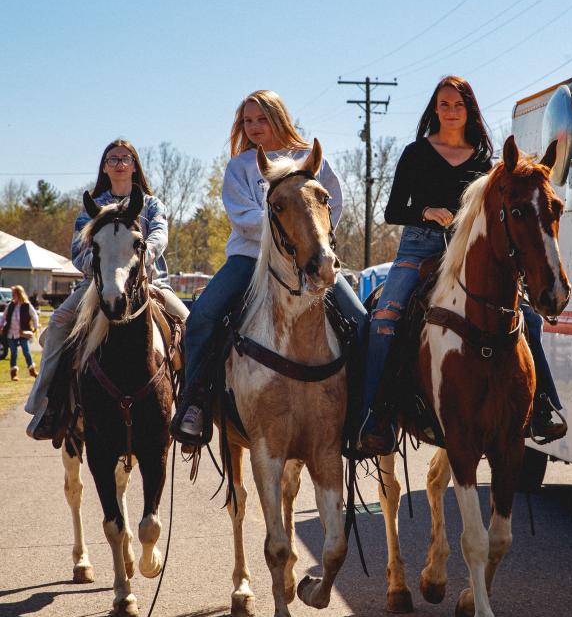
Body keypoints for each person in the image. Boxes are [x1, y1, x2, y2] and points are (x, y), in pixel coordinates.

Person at [358, 75, 566, 455]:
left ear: (469, 109)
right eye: (444, 104)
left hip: (467, 252)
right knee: (385, 318)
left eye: (458, 105)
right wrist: (425, 211)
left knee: (528, 318)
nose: (451, 111)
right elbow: (391, 211)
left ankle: (543, 408)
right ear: (434, 110)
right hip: (418, 250)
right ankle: (376, 415)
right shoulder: (416, 153)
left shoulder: (485, 161)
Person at [172, 89, 367, 442]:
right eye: (247, 121)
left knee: (359, 319)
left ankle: (364, 410)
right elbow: (242, 217)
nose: (254, 127)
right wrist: (286, 221)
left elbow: (331, 203)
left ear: (279, 118)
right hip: (251, 259)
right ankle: (195, 403)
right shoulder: (241, 166)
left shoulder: (310, 158)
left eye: (262, 119)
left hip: (310, 259)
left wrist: (309, 238)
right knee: (202, 317)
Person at [25, 139, 189, 439]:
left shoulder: (152, 204)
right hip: (95, 287)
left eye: (125, 158)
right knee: (59, 322)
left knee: (190, 325)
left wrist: (134, 262)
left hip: (150, 282)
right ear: (104, 166)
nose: (119, 163)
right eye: (113, 159)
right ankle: (47, 404)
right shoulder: (92, 207)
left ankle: (193, 408)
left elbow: (158, 239)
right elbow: (78, 250)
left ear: (134, 165)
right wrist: (105, 268)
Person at [1, 285, 39, 381]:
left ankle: (32, 371)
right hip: (11, 333)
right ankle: (13, 374)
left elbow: (34, 316)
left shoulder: (27, 305)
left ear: (19, 294)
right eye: (12, 294)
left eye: (14, 294)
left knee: (26, 352)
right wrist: (0, 326)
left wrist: (35, 326)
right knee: (13, 353)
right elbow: (4, 317)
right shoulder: (10, 305)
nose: (13, 296)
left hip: (22, 333)